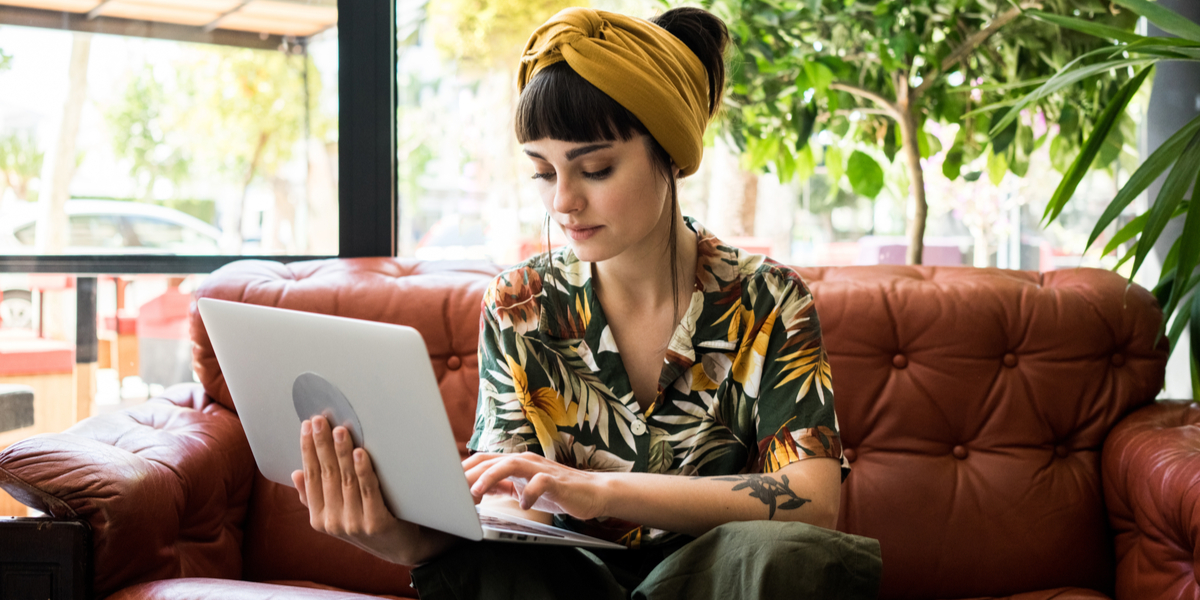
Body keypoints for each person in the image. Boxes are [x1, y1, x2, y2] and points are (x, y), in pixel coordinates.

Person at [292, 6, 882, 599]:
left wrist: (598, 489)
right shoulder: (520, 302)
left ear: (670, 154)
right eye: (543, 173)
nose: (564, 202)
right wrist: (398, 540)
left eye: (595, 168)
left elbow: (812, 499)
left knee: (785, 553)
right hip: (572, 583)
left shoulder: (771, 299)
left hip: (722, 581)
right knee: (490, 567)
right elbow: (507, 507)